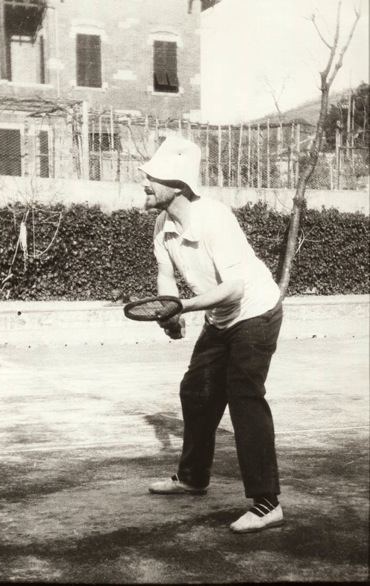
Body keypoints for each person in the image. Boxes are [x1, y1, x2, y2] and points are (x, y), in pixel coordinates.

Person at [139, 136, 284, 533]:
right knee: (196, 391)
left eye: (152, 177)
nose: (145, 182)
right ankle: (193, 478)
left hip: (256, 313)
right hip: (221, 318)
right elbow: (166, 277)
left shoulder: (215, 217)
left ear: (178, 184)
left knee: (244, 397)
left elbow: (235, 287)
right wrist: (168, 310)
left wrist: (183, 307)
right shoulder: (162, 225)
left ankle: (267, 503)